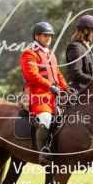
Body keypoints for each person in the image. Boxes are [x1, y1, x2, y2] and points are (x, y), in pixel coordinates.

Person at [20, 21, 69, 163]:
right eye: (45, 35)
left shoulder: (50, 54)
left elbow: (57, 74)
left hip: (54, 95)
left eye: (50, 36)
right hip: (38, 95)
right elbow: (32, 76)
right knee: (46, 120)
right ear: (37, 36)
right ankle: (43, 153)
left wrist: (66, 88)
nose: (49, 38)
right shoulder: (29, 53)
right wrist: (50, 86)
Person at [64, 14, 93, 94]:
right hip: (78, 91)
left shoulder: (86, 49)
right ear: (85, 31)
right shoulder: (76, 47)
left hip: (90, 89)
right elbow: (76, 73)